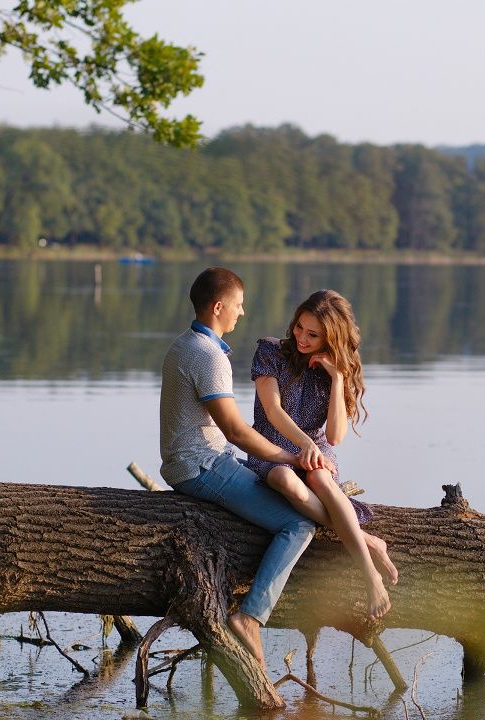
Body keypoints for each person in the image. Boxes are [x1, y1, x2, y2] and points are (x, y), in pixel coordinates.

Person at [159, 267, 322, 668]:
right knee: (297, 525)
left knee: (289, 497)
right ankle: (250, 617)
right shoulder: (208, 356)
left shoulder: (186, 344)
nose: (242, 313)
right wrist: (287, 455)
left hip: (199, 461)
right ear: (219, 307)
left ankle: (358, 534)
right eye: (238, 305)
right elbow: (235, 430)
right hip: (201, 467)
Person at [245, 290, 397, 621]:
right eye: (300, 327)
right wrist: (301, 447)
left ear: (330, 336)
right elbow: (272, 411)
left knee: (319, 478)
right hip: (273, 448)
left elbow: (334, 436)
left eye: (313, 334)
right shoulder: (270, 351)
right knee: (286, 477)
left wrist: (338, 377)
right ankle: (366, 540)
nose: (301, 337)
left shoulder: (334, 370)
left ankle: (370, 576)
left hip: (318, 451)